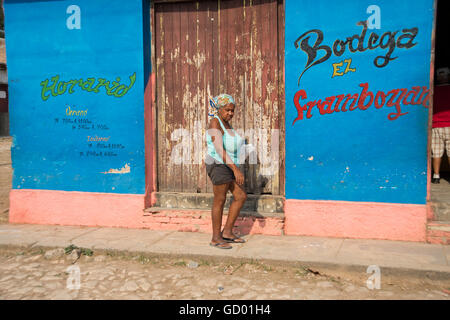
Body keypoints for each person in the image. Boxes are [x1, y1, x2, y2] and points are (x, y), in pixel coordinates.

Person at [205, 94, 247, 249]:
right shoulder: (215, 123)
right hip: (217, 164)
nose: (230, 113)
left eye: (232, 110)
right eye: (227, 110)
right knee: (220, 199)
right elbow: (218, 149)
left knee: (240, 196)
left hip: (228, 165)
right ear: (219, 109)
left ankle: (227, 232)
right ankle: (216, 238)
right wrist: (236, 170)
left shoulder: (227, 125)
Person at [431, 67, 450, 183]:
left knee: (436, 152)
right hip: (447, 124)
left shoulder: (433, 90)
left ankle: (436, 176)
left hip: (436, 124)